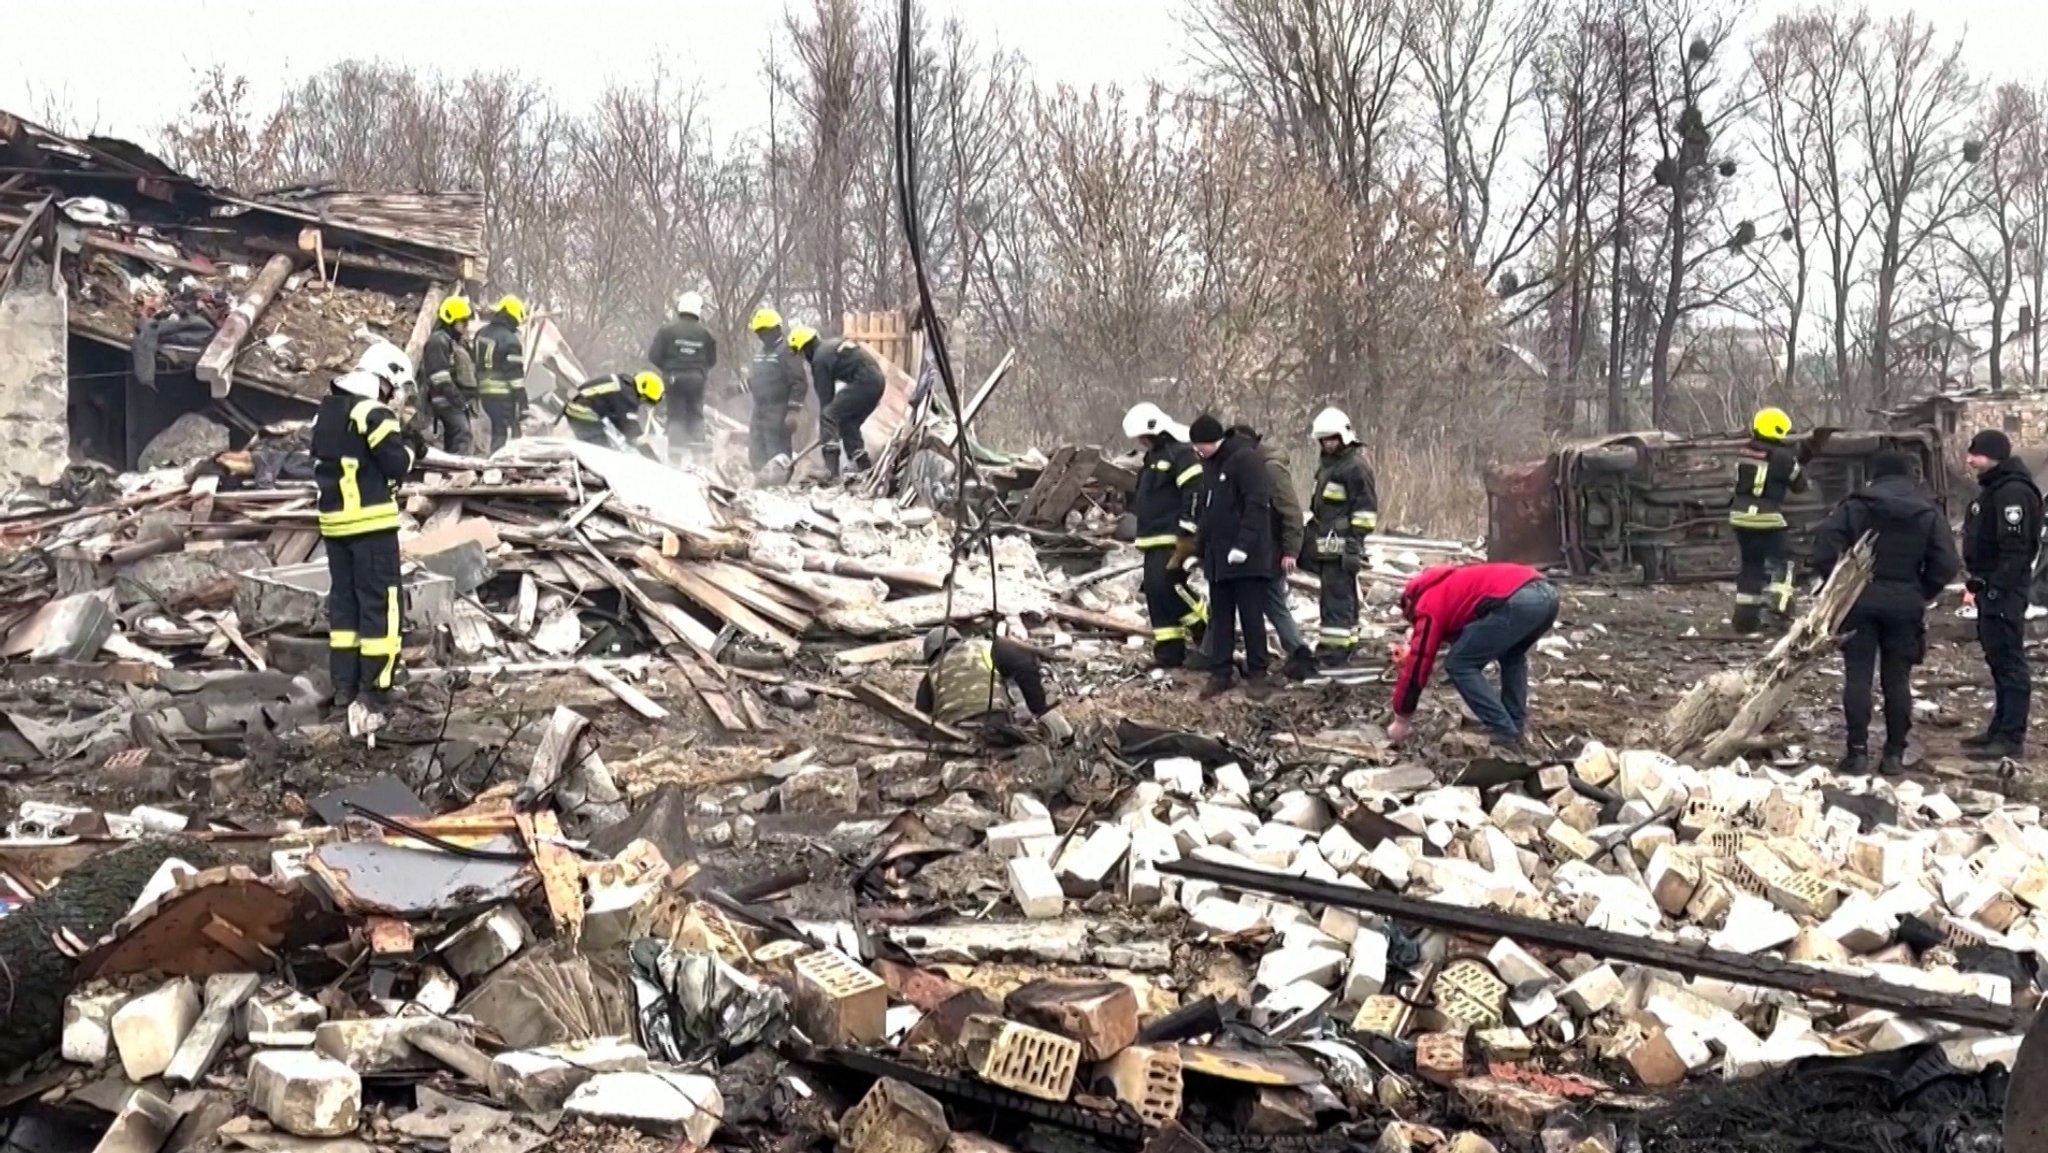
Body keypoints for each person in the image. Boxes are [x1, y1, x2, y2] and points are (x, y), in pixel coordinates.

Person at [1808, 450, 1959, 775]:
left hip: (1858, 600)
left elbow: (1822, 546)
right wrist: (1921, 591)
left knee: (1858, 676)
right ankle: (1893, 754)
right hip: (1905, 600)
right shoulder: (1927, 511)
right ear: (1909, 476)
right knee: (1898, 679)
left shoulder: (1855, 505)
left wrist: (1841, 582)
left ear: (1874, 475)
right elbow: (1947, 563)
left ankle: (1857, 753)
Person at [313, 344, 426, 735]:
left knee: (345, 608)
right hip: (371, 526)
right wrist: (412, 446)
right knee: (382, 605)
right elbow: (396, 464)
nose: (397, 398)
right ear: (386, 379)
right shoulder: (372, 412)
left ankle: (344, 688)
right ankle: (376, 690)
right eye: (396, 388)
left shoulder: (327, 411)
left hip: (334, 526)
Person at [1389, 562, 1559, 748]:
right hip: (1548, 596)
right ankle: (1514, 725)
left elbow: (1418, 663)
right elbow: (1469, 632)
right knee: (1512, 657)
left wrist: (1402, 717)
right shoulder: (1451, 582)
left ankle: (1503, 729)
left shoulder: (1427, 604)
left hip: (1519, 601)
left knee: (1459, 664)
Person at [1961, 429, 2044, 760]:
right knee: (1997, 661)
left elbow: (2015, 550)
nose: (1969, 460)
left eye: (1975, 454)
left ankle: (2011, 736)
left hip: (2005, 594)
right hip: (1990, 590)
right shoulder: (1994, 489)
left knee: (2010, 662)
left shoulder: (2013, 493)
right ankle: (1999, 727)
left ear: (1992, 455)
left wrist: (1996, 590)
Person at [1190, 415, 1280, 700]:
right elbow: (1208, 511)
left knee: (1251, 616)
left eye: (1199, 445)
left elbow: (1257, 505)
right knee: (1221, 617)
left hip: (1246, 561)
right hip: (1217, 559)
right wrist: (1198, 549)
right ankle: (1221, 672)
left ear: (1211, 440)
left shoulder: (1245, 461)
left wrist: (1243, 544)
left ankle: (1257, 674)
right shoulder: (1210, 466)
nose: (1197, 451)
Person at [1228, 421, 1316, 681]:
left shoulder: (1271, 470)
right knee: (1265, 601)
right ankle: (1297, 650)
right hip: (1256, 549)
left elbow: (1291, 513)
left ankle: (1300, 652)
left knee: (1271, 600)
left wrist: (1291, 550)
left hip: (1271, 551)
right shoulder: (1247, 467)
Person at [1124, 402, 1208, 669]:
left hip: (1173, 538)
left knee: (1171, 588)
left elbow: (1194, 491)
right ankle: (1169, 653)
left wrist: (1188, 529)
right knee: (1155, 594)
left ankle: (1207, 629)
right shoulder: (1153, 457)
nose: (1141, 442)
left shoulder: (1180, 453)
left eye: (1144, 437)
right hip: (1151, 539)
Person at [1303, 407, 1380, 666]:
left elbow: (1366, 512)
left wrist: (1354, 544)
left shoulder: (1355, 467)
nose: (1328, 444)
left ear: (1345, 436)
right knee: (1334, 595)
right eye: (1324, 440)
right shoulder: (1328, 466)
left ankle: (1335, 652)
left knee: (1338, 597)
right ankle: (1341, 643)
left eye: (1332, 439)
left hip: (1342, 544)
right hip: (1327, 543)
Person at [915, 627, 1072, 744]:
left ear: (930, 655)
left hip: (954, 734)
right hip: (996, 722)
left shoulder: (930, 675)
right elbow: (1024, 664)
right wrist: (1038, 709)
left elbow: (920, 722)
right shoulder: (984, 647)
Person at [1729, 406, 1806, 633]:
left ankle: (1744, 621)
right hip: (1767, 518)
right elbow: (1800, 485)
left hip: (1740, 517)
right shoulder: (1783, 457)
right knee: (1785, 563)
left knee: (1751, 565)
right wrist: (1799, 460)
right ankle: (1779, 613)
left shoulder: (1743, 452)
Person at [792, 326, 886, 479]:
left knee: (829, 416)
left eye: (802, 353)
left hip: (864, 381)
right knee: (848, 423)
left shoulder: (819, 360)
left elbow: (825, 400)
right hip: (876, 382)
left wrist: (826, 433)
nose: (803, 358)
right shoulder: (830, 347)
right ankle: (862, 465)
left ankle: (831, 472)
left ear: (806, 347)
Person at [649, 292, 719, 455]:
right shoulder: (706, 334)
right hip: (697, 379)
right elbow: (712, 360)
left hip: (674, 378)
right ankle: (698, 457)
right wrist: (699, 370)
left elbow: (653, 356)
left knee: (676, 416)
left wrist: (668, 368)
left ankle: (675, 457)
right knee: (696, 414)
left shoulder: (667, 331)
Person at [746, 307, 806, 471]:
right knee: (756, 446)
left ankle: (779, 481)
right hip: (759, 408)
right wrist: (737, 388)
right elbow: (757, 379)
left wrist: (793, 411)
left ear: (774, 329)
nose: (760, 336)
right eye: (758, 332)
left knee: (775, 448)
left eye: (762, 331)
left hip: (778, 409)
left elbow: (799, 382)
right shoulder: (761, 352)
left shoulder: (787, 351)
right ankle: (760, 480)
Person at [419, 295, 478, 455]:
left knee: (456, 437)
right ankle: (459, 472)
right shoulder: (438, 341)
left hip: (455, 400)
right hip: (445, 400)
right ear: (451, 319)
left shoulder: (454, 341)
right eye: (463, 321)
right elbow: (439, 377)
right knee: (462, 434)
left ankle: (451, 471)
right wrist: (458, 399)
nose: (465, 326)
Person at [474, 295, 528, 453]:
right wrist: (522, 401)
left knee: (493, 429)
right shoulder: (510, 340)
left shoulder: (481, 333)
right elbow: (515, 376)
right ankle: (496, 466)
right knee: (500, 433)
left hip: (482, 394)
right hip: (503, 394)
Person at [564, 371, 665, 456]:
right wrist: (652, 458)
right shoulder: (628, 397)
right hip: (584, 413)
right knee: (601, 452)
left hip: (577, 408)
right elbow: (631, 431)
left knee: (604, 446)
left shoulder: (622, 384)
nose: (642, 404)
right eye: (645, 401)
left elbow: (617, 418)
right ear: (642, 394)